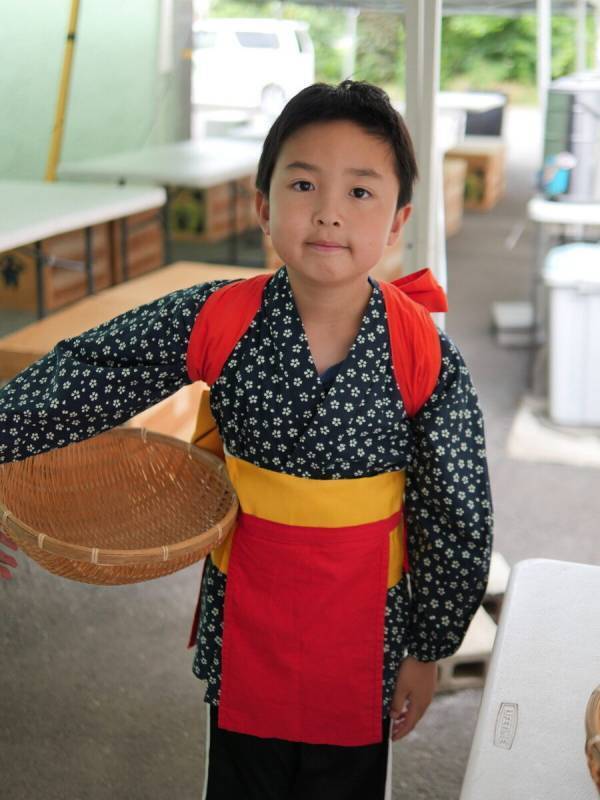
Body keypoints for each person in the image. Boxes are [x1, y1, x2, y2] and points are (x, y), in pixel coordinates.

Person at [0, 80, 493, 799]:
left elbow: (456, 510)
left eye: (361, 191)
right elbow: (92, 366)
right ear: (263, 206)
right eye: (302, 183)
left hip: (368, 633)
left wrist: (430, 646)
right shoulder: (218, 318)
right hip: (248, 623)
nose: (327, 211)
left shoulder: (422, 351)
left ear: (398, 220)